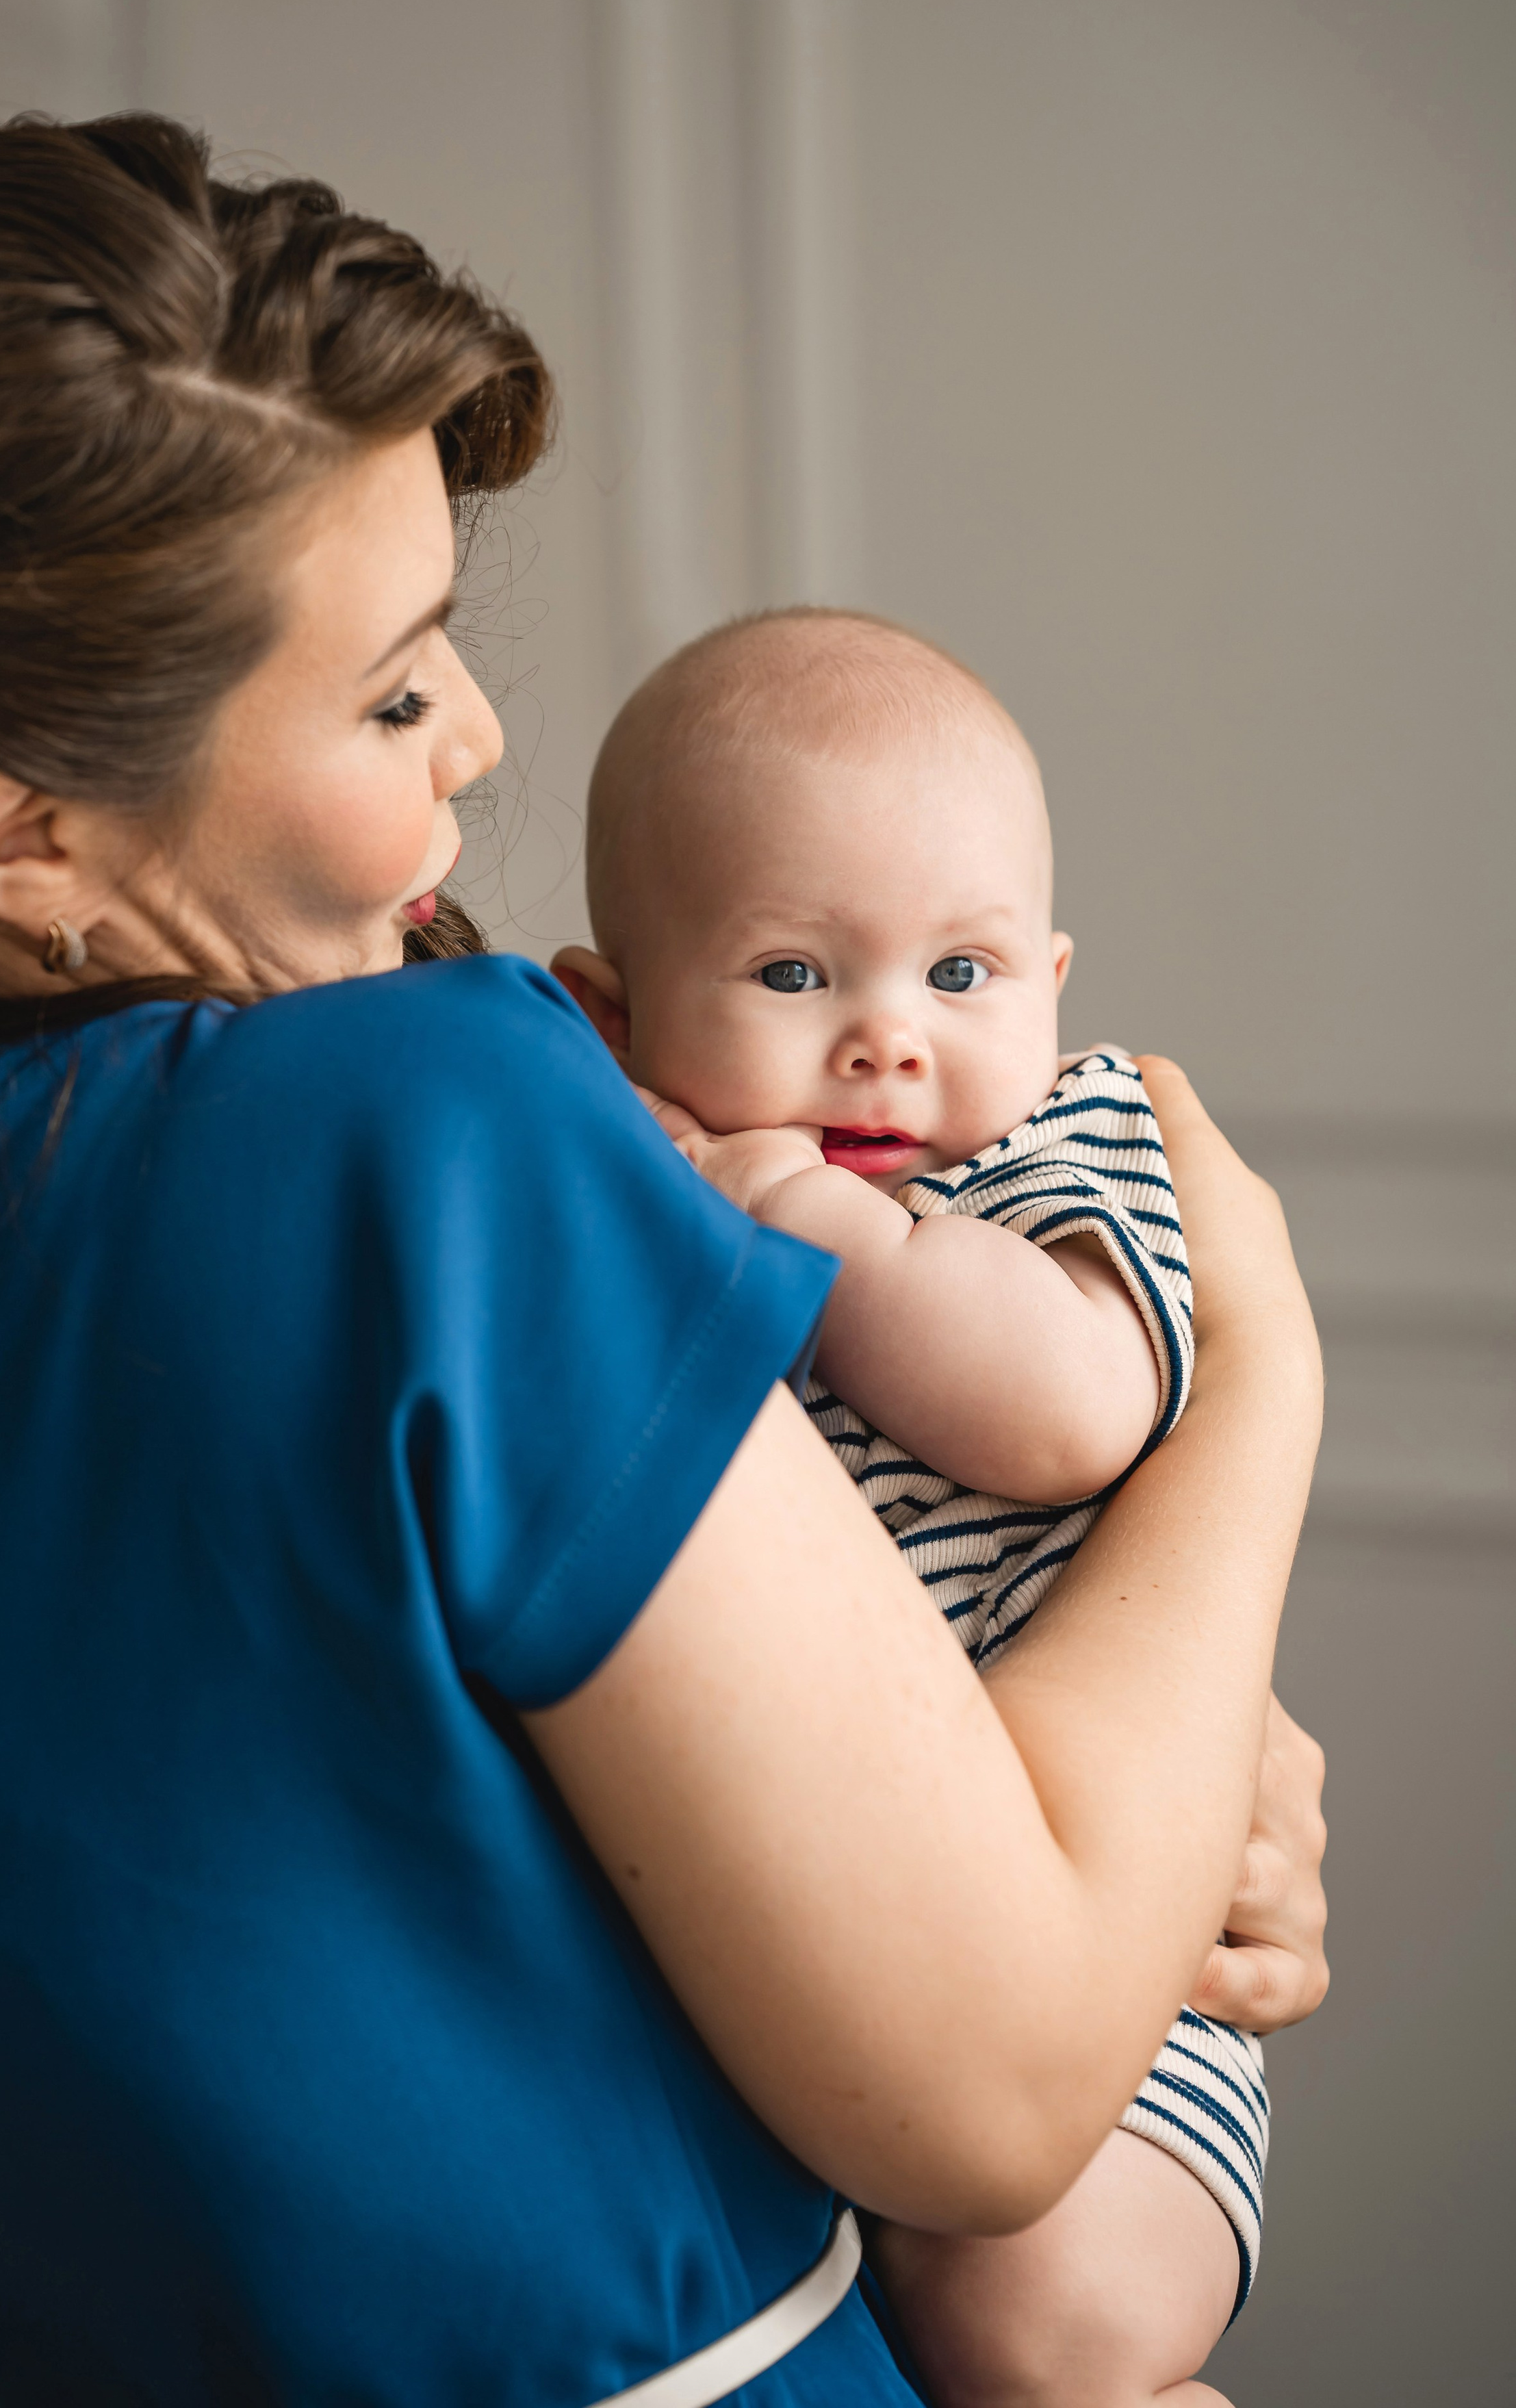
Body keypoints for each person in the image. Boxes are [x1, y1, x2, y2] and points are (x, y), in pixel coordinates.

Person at [0, 112, 1326, 2408]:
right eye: (395, 693)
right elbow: (998, 2103)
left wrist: (1114, 1765)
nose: (484, 737)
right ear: (30, 842)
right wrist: (1257, 1390)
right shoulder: (425, 1134)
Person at [552, 610, 1285, 2405]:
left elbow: (1066, 1411)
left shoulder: (1056, 1158)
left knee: (1040, 2334)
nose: (890, 1043)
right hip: (821, 1959)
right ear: (613, 1012)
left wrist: (819, 1221)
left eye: (960, 979)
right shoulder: (631, 1191)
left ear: (1050, 981)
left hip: (1119, 1996)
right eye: (797, 976)